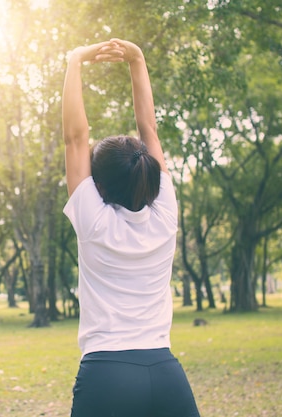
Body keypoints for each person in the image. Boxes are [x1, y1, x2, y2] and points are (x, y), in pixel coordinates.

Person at [62, 38, 201, 417]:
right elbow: (150, 130)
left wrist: (75, 60)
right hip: (165, 373)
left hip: (107, 375)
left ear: (99, 185)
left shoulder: (94, 220)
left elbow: (76, 138)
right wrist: (137, 58)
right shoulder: (165, 214)